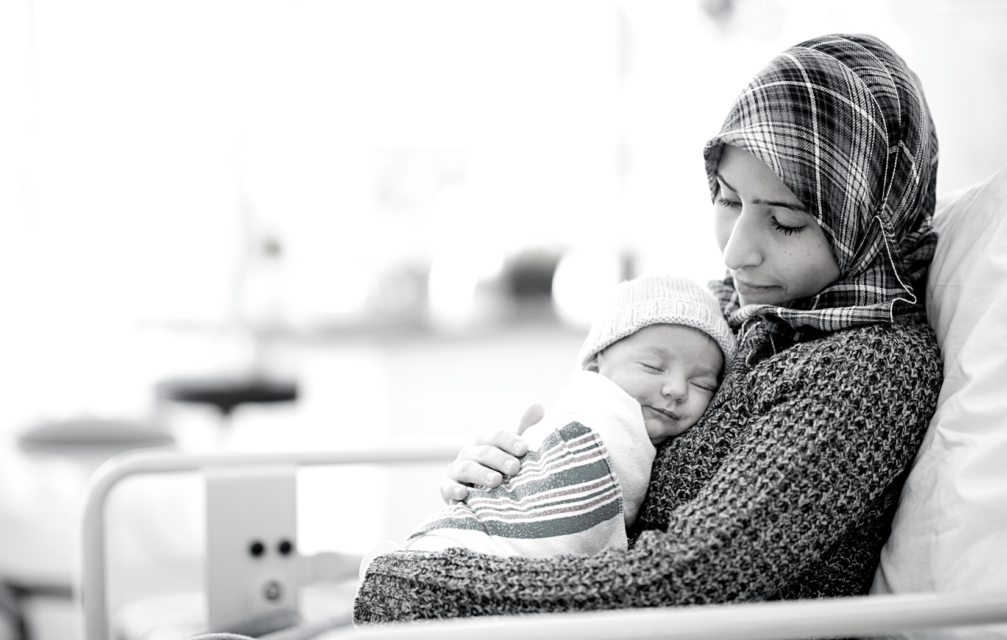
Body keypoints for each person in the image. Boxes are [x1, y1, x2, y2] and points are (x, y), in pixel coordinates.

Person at [354, 33, 944, 622]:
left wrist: (420, 585)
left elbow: (688, 580)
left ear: (872, 222)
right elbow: (595, 418)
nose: (737, 253)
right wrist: (509, 477)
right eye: (728, 198)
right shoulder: (732, 311)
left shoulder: (868, 371)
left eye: (785, 222)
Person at [378, 275, 736, 562]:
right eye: (652, 366)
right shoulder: (591, 419)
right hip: (456, 546)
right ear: (596, 366)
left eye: (701, 382)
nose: (676, 389)